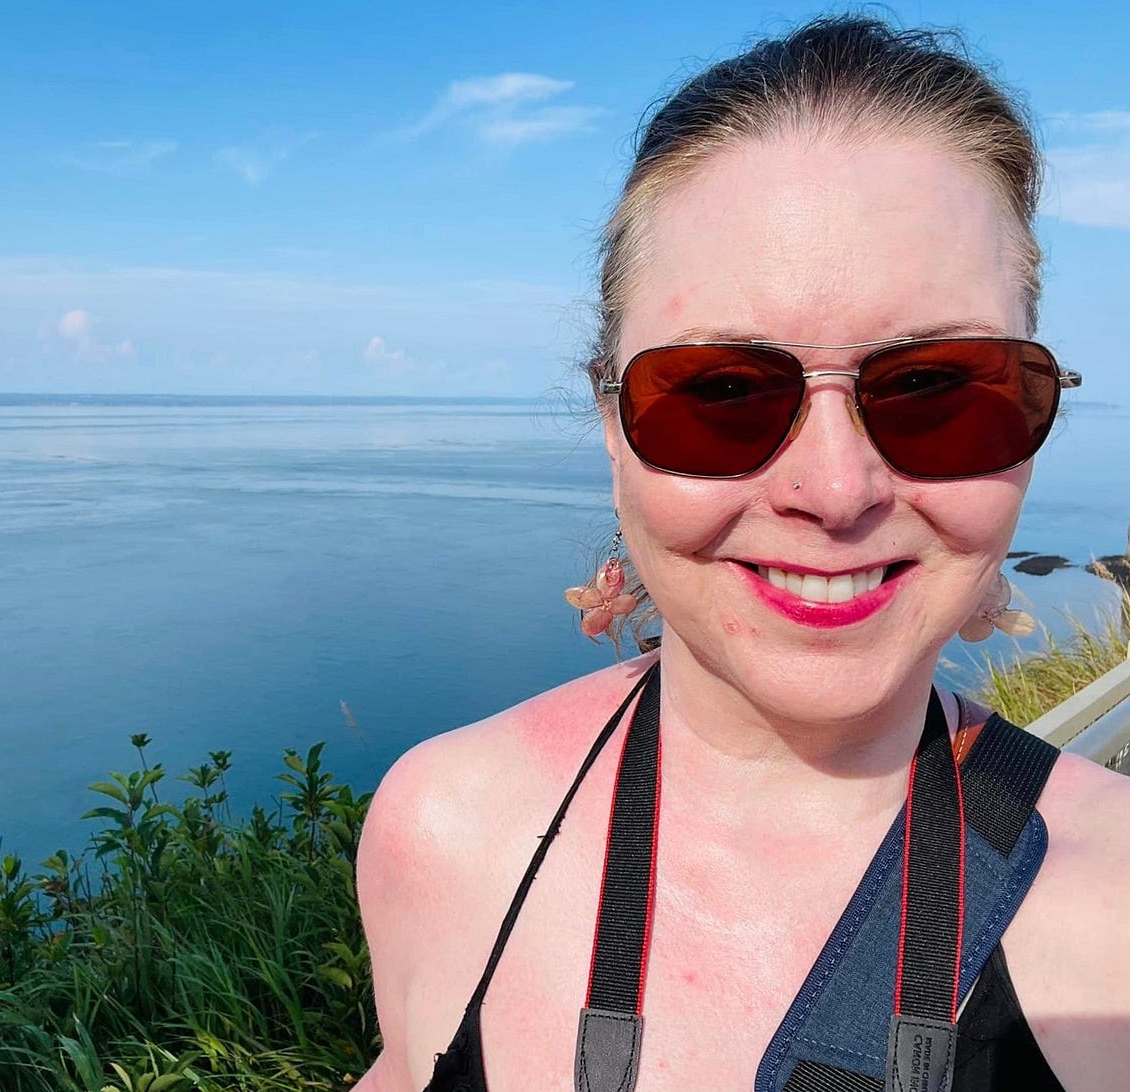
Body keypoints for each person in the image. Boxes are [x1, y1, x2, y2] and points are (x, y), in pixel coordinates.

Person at [354, 16, 1130, 1092]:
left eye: (938, 388)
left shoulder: (1115, 926)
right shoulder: (443, 832)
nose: (834, 490)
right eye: (718, 393)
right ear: (608, 419)